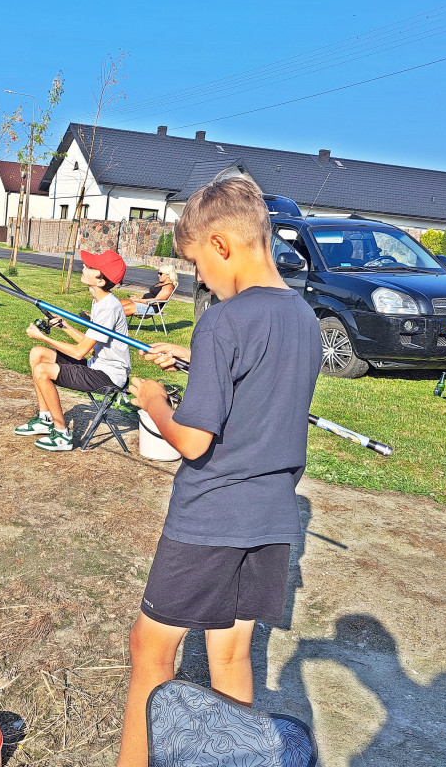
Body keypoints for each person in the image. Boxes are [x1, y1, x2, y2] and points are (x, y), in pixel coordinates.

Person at [116, 177, 322, 767]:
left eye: (198, 264)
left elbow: (194, 441)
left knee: (149, 653)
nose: (200, 279)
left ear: (221, 243)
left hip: (208, 519)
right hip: (271, 520)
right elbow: (260, 381)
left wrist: (155, 402)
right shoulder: (304, 318)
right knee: (230, 659)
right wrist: (195, 359)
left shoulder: (222, 321)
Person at [14, 249, 131, 451]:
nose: (84, 267)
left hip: (108, 376)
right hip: (97, 365)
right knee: (37, 353)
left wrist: (42, 336)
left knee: (42, 370)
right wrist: (65, 326)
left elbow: (79, 352)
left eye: (91, 267)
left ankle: (61, 434)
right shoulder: (100, 301)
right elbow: (89, 342)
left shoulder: (109, 308)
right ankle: (45, 418)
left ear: (101, 281)